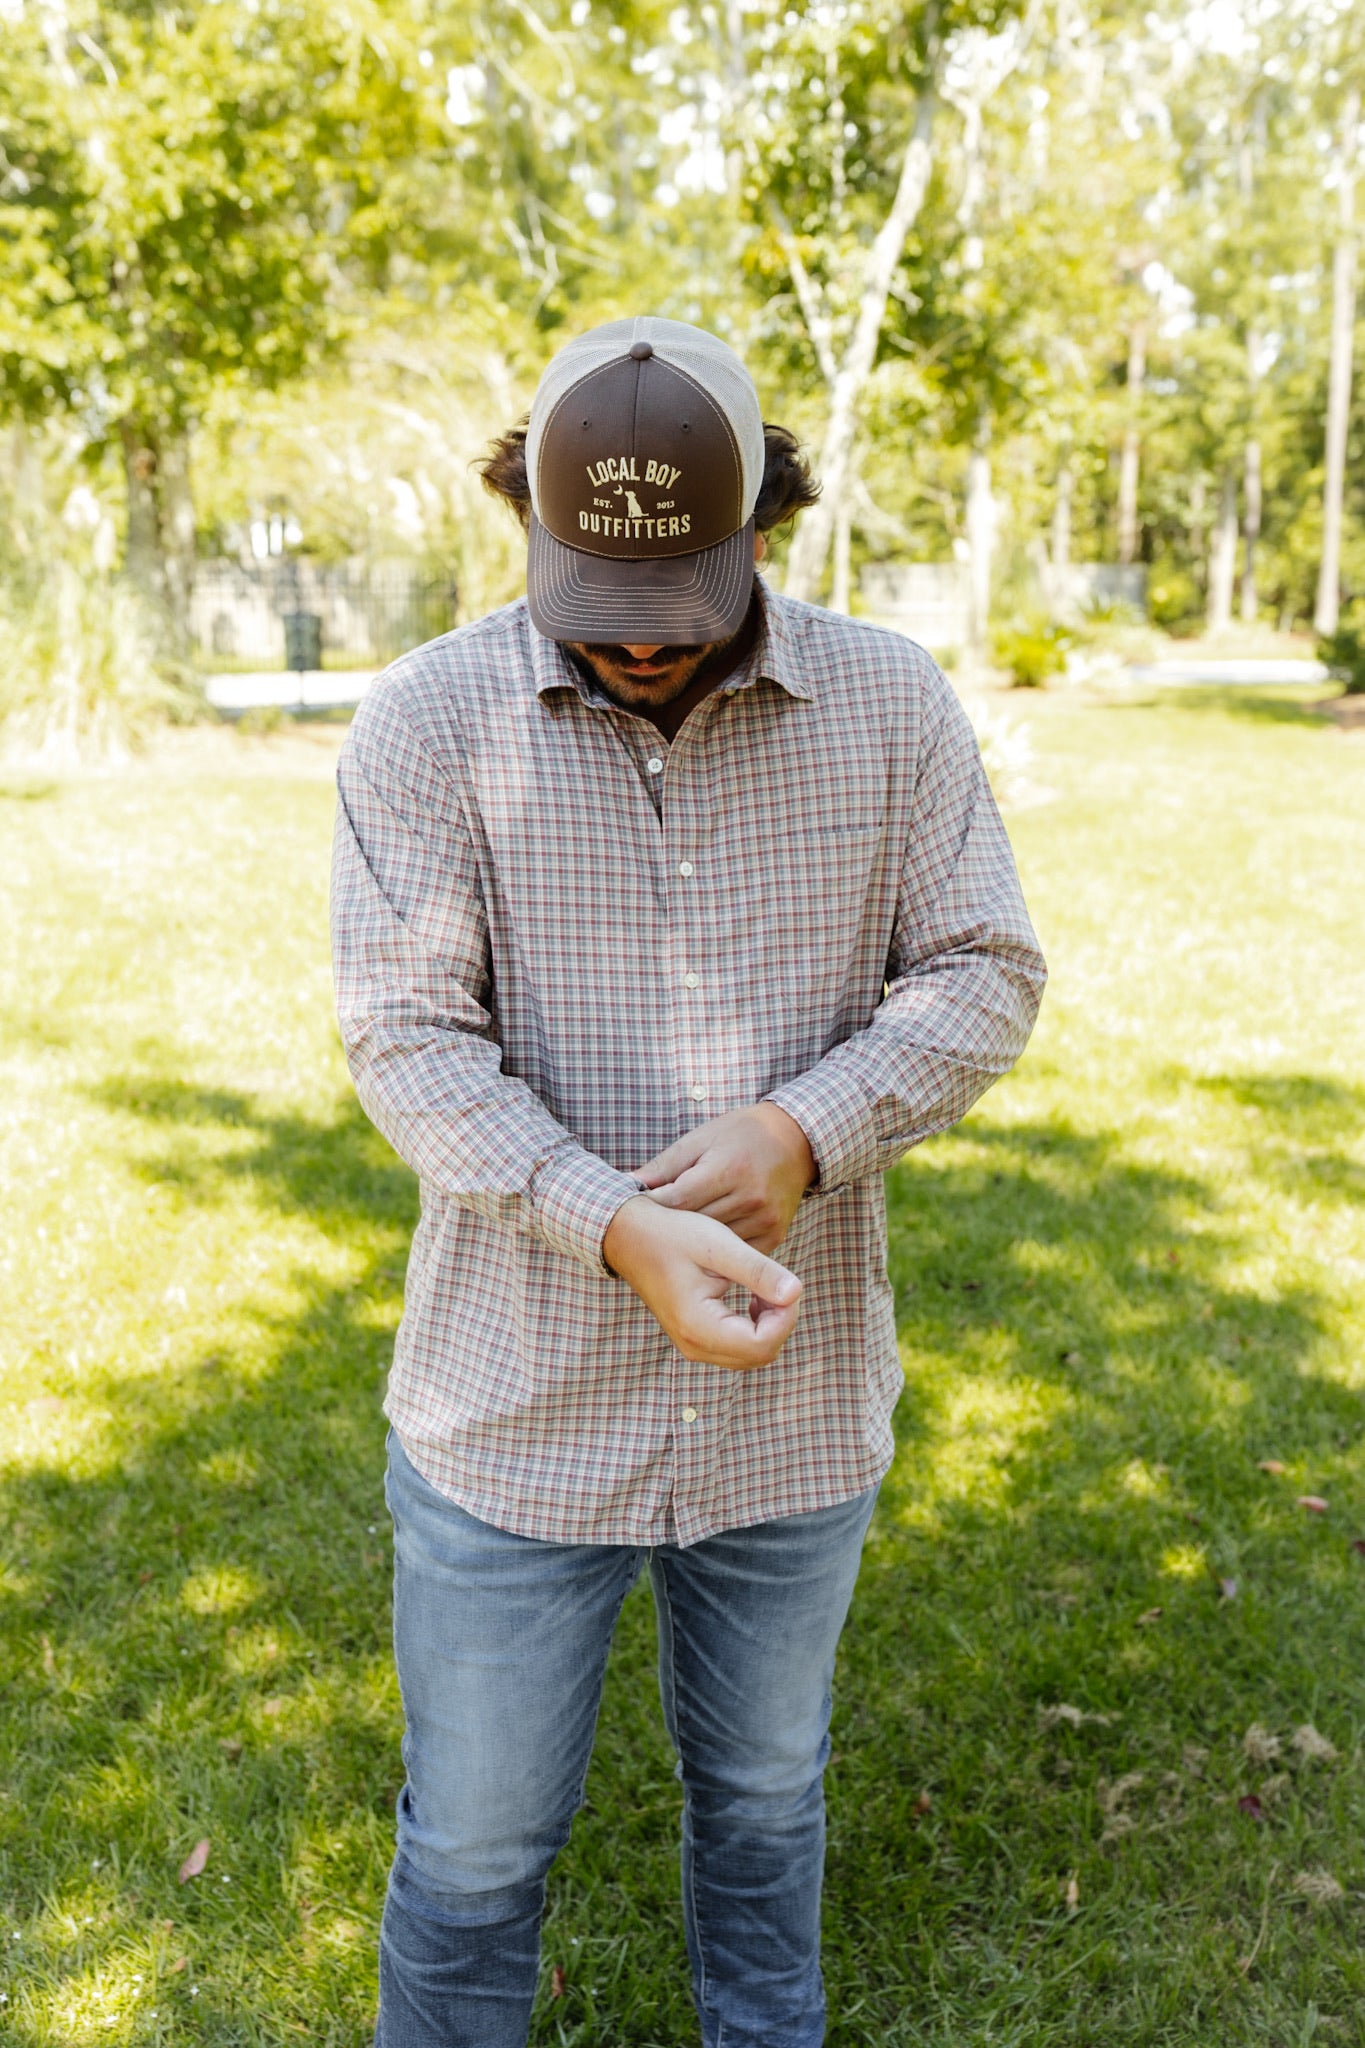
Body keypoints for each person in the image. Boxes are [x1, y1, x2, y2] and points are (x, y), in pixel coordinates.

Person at [330, 315, 1046, 2048]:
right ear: (526, 521)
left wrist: (810, 1129)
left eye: (678, 601)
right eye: (597, 600)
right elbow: (407, 1040)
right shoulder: (428, 724)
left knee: (766, 1806)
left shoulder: (890, 705)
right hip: (513, 1413)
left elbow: (983, 968)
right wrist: (612, 1222)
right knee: (480, 1852)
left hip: (791, 1415)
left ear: (762, 525)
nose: (639, 651)